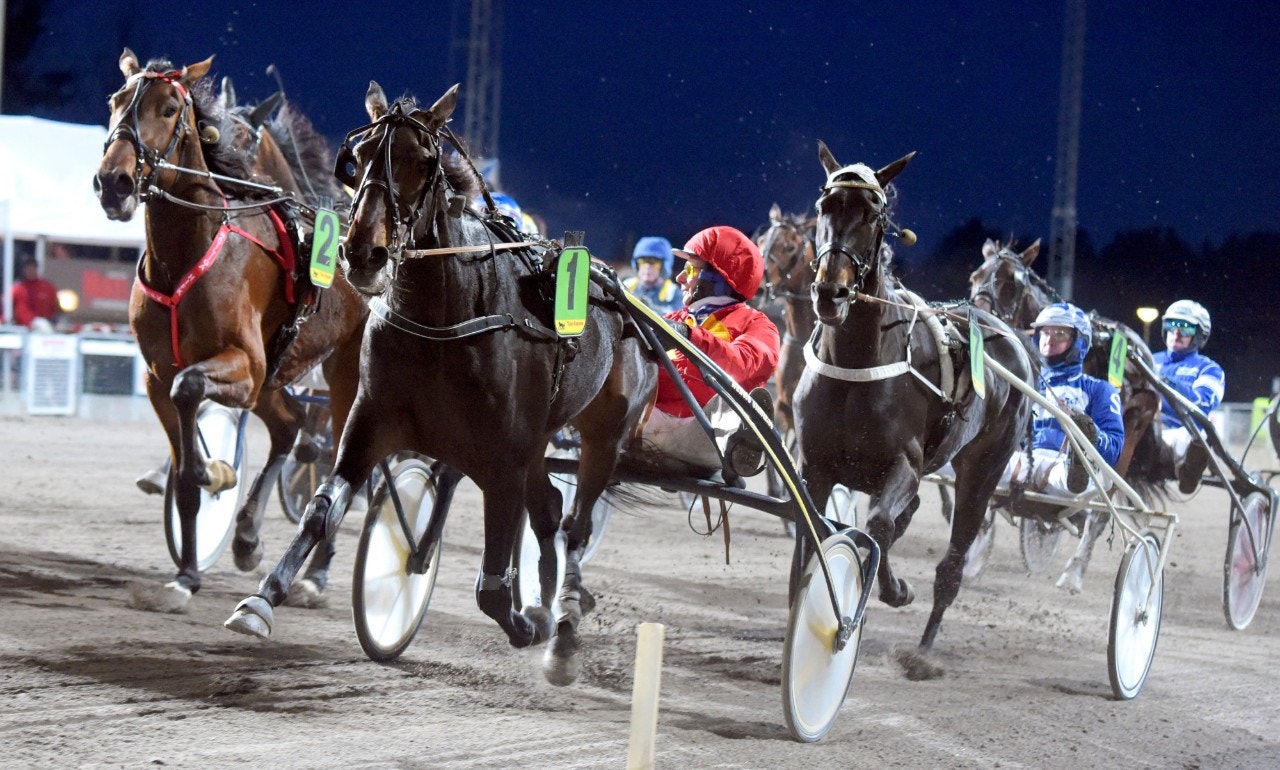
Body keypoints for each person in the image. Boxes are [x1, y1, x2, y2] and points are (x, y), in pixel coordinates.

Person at [635, 226, 780, 477]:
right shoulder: (675, 318)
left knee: (734, 393)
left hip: (705, 434)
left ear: (722, 277)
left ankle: (744, 441)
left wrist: (688, 336)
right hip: (646, 425)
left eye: (691, 269)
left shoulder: (757, 324)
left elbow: (743, 364)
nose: (680, 278)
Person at [1001, 302, 1125, 495]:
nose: (1049, 340)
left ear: (1079, 341)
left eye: (1060, 334)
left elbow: (1115, 447)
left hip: (1063, 467)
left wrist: (1085, 429)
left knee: (1066, 477)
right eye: (1045, 333)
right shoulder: (1023, 384)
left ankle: (1075, 470)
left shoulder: (1100, 389)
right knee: (973, 464)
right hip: (1021, 463)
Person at [1153, 299, 1224, 494]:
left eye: (1186, 328)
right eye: (1172, 325)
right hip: (1144, 428)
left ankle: (1189, 472)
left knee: (1193, 437)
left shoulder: (1209, 369)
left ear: (1199, 335)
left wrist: (1165, 382)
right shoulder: (1150, 360)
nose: (1176, 333)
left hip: (1179, 433)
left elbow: (1202, 403)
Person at [622, 236, 682, 316]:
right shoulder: (626, 285)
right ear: (636, 264)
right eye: (643, 261)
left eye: (653, 262)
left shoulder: (673, 293)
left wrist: (647, 307)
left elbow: (677, 319)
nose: (647, 266)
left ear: (663, 267)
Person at [11, 258, 60, 329]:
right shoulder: (17, 289)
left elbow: (56, 307)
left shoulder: (48, 288)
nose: (30, 272)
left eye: (32, 269)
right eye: (28, 269)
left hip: (44, 324)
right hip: (22, 326)